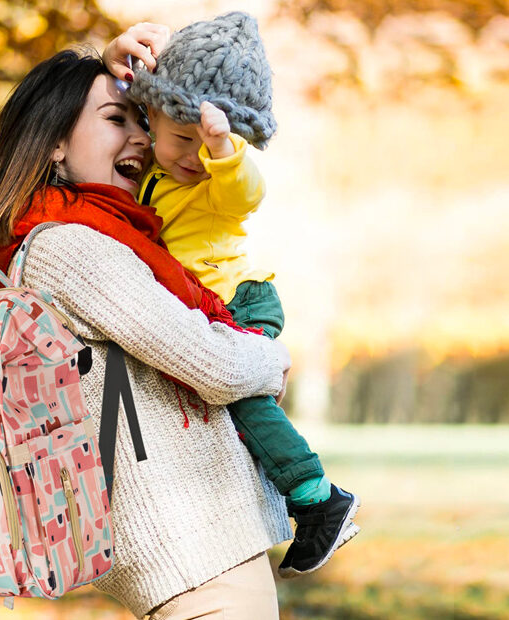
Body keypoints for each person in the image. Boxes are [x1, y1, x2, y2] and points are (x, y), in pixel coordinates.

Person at [0, 47, 292, 619]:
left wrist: (120, 57)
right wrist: (272, 356)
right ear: (54, 142)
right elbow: (215, 365)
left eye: (143, 122)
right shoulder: (70, 246)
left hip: (190, 549)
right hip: (192, 552)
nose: (141, 138)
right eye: (118, 120)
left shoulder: (70, 232)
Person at [106, 13, 360, 578]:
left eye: (211, 146)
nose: (193, 157)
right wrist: (113, 58)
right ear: (154, 118)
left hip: (239, 298)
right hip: (206, 300)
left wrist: (224, 148)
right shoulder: (152, 161)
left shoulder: (220, 182)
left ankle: (318, 499)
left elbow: (247, 192)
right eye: (182, 140)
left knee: (242, 398)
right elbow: (110, 106)